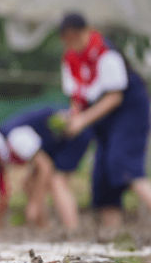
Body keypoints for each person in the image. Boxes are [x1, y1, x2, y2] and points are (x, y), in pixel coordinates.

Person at [59, 12, 151, 229]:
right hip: (102, 120)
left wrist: (82, 121)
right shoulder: (71, 61)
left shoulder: (106, 54)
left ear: (86, 31)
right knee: (102, 177)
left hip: (128, 113)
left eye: (76, 36)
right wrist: (72, 117)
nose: (73, 43)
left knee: (124, 164)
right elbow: (77, 99)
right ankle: (114, 238)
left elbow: (114, 97)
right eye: (67, 39)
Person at [0, 106, 91, 231]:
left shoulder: (15, 140)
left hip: (73, 131)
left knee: (57, 182)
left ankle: (72, 228)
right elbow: (2, 192)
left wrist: (34, 204)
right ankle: (44, 228)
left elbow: (45, 167)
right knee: (29, 184)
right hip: (56, 143)